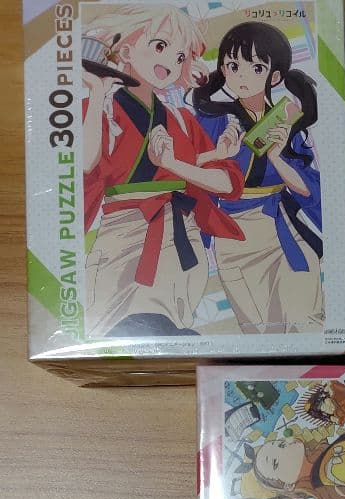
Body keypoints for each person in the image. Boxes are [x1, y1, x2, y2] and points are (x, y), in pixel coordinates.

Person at [81, 6, 245, 337]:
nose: (171, 61)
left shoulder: (183, 120)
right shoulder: (99, 108)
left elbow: (227, 183)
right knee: (113, 327)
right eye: (160, 46)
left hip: (179, 237)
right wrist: (97, 93)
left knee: (163, 322)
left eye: (180, 56)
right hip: (121, 235)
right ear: (126, 51)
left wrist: (183, 162)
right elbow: (85, 164)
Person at [192, 21, 324, 334]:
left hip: (282, 228)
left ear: (273, 76)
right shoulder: (213, 120)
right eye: (233, 66)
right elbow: (184, 169)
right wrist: (216, 155)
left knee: (307, 320)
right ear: (223, 70)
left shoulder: (286, 122)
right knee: (262, 330)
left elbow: (308, 188)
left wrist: (277, 156)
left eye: (256, 67)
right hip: (234, 234)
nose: (242, 76)